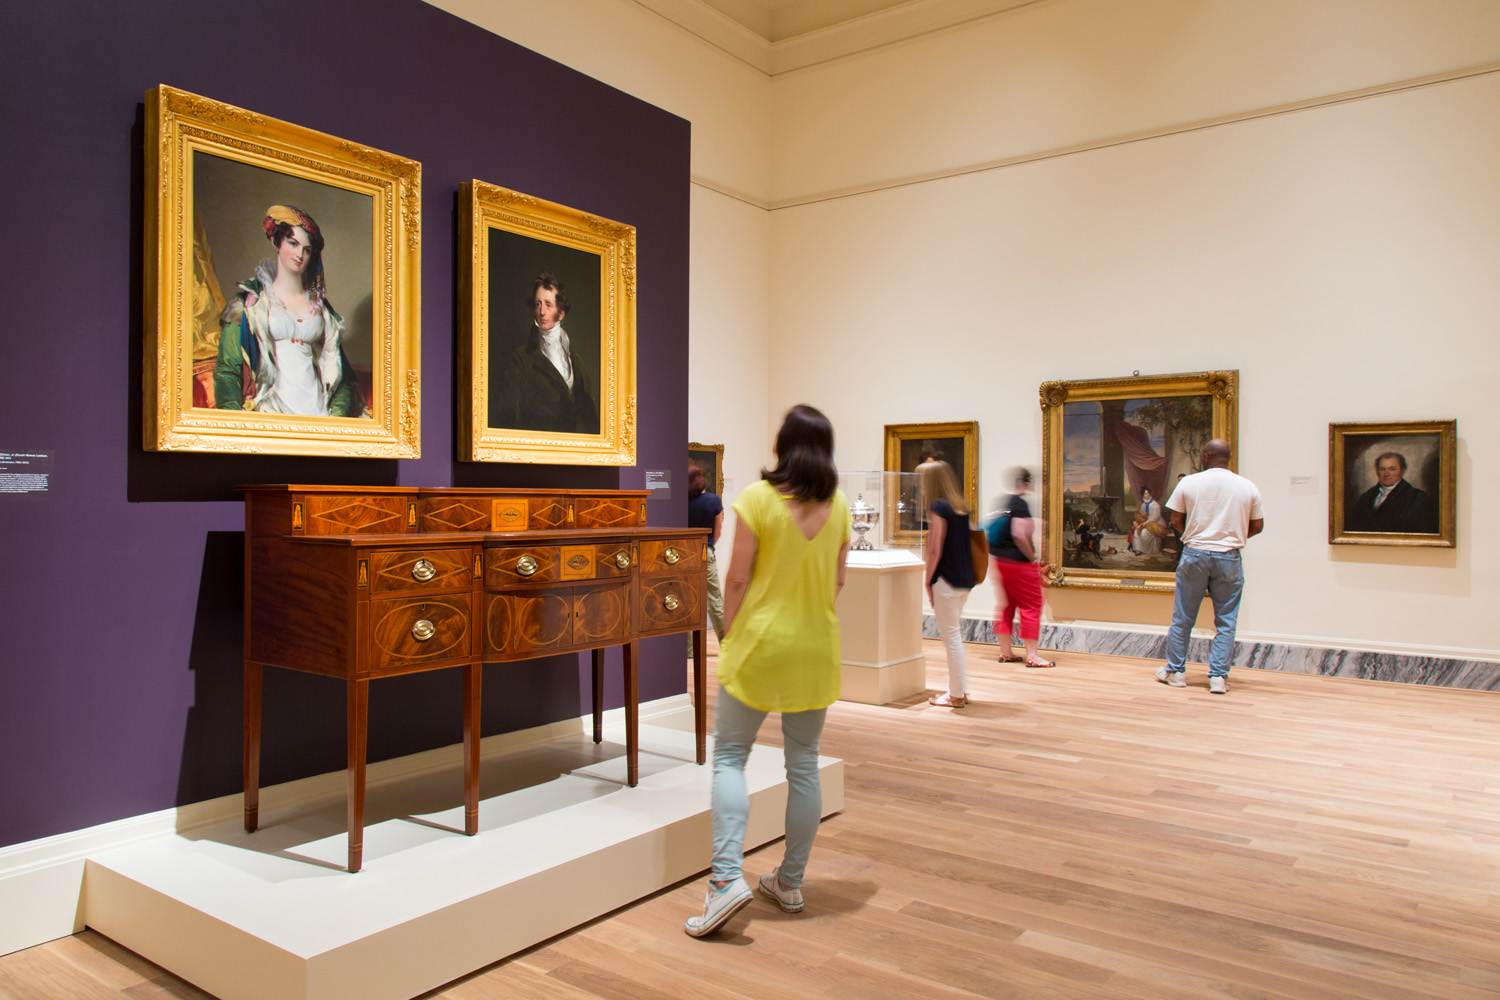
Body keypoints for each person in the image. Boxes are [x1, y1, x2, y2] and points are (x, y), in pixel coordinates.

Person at [684, 404, 851, 938]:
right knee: (804, 766)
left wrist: (730, 634)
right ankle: (790, 881)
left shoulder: (756, 500)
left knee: (731, 759)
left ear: (783, 445)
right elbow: (837, 583)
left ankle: (726, 880)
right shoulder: (840, 506)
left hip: (759, 643)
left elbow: (735, 581)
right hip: (815, 646)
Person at [214, 205, 363, 415]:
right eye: (293, 243)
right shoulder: (249, 303)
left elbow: (342, 376)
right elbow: (227, 370)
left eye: (307, 249)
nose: (299, 254)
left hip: (318, 410)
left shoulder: (322, 308)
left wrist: (334, 419)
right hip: (271, 409)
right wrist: (233, 426)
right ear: (277, 242)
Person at [1156, 439, 1264, 695]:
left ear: (1205, 455)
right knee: (1226, 621)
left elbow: (1175, 519)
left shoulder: (1189, 482)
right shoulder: (1247, 486)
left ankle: (1176, 672)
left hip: (1195, 553)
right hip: (1229, 555)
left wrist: (1196, 536)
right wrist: (1231, 536)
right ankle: (1217, 677)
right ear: (1228, 457)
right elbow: (1258, 526)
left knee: (1183, 617)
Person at [496, 272, 599, 433]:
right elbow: (508, 418)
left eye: (548, 304)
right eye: (538, 304)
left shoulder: (576, 362)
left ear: (561, 312)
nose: (542, 311)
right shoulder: (520, 359)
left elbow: (591, 418)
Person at [920, 460, 975, 707]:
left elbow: (934, 549)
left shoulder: (938, 508)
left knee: (951, 638)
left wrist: (927, 579)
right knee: (956, 636)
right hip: (964, 579)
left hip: (946, 580)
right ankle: (960, 689)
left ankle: (955, 694)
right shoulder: (959, 508)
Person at [990, 468, 1053, 669]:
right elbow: (1018, 534)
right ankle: (1032, 656)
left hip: (1001, 561)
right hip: (1019, 564)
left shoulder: (1005, 503)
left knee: (1007, 605)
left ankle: (1005, 652)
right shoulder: (1020, 504)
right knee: (1032, 605)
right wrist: (1031, 556)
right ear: (1025, 483)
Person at [1347, 451, 1436, 533]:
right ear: (1377, 471)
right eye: (1382, 469)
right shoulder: (1366, 497)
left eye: (1392, 469)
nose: (1386, 474)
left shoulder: (1418, 498)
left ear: (1402, 470)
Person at [687, 463, 726, 639]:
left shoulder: (682, 502)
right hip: (706, 550)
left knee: (687, 599)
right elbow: (717, 532)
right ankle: (726, 644)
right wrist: (710, 545)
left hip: (684, 552)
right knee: (715, 600)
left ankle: (687, 649)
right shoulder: (714, 501)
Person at [1129, 487, 1166, 556]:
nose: (1147, 495)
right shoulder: (1143, 505)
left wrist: (1143, 524)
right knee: (1137, 530)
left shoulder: (1155, 505)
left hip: (1156, 524)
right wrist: (1137, 522)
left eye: (1148, 493)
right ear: (1142, 495)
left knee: (1144, 533)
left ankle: (1147, 550)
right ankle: (1138, 549)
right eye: (1145, 493)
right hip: (1146, 523)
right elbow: (1142, 516)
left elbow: (1154, 518)